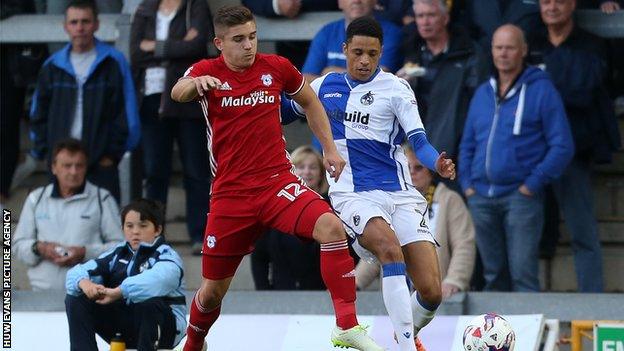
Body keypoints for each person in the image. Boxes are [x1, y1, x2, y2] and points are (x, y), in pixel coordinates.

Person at [170, 6, 382, 351]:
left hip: (276, 183)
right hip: (231, 195)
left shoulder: (276, 67)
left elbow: (310, 101)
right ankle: (194, 341)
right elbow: (177, 91)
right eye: (238, 39)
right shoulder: (207, 71)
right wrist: (194, 83)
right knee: (212, 292)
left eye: (252, 37)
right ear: (219, 43)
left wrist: (328, 148)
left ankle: (347, 325)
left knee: (331, 227)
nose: (248, 46)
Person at [282, 16, 456, 351]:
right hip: (352, 193)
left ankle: (405, 332)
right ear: (345, 49)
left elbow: (418, 141)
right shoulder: (323, 87)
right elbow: (284, 111)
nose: (364, 60)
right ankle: (406, 347)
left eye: (372, 54)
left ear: (380, 54)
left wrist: (438, 162)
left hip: (400, 194)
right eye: (358, 52)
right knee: (390, 250)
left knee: (431, 292)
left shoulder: (396, 88)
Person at [458, 24, 574, 292]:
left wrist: (531, 184)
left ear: (523, 50)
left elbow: (562, 145)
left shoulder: (542, 90)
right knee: (492, 276)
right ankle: (493, 335)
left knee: (524, 274)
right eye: (498, 47)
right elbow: (467, 144)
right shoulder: (482, 93)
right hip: (480, 198)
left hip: (520, 197)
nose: (503, 53)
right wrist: (468, 185)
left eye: (510, 47)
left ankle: (527, 335)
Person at [528, 0, 621, 292]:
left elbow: (584, 90)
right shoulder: (531, 42)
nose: (551, 6)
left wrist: (542, 97)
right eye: (545, 1)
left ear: (573, 5)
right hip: (530, 151)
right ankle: (522, 302)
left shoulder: (590, 45)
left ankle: (591, 302)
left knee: (582, 232)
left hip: (573, 152)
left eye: (559, 0)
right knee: (525, 232)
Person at [29, 0, 140, 201]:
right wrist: (48, 154)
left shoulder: (113, 62)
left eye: (85, 21)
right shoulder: (52, 66)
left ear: (96, 24)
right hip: (62, 164)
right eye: (74, 22)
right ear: (65, 26)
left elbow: (127, 112)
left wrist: (112, 155)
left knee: (105, 228)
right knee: (60, 227)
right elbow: (38, 114)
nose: (79, 28)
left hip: (101, 163)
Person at [130, 0, 213, 255]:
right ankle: (153, 235)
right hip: (152, 97)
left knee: (196, 169)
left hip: (186, 96)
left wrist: (154, 47)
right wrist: (178, 48)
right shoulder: (145, 8)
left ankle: (200, 234)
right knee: (155, 170)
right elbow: (135, 51)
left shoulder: (196, 7)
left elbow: (197, 47)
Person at [355, 145, 476, 299]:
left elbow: (463, 244)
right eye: (406, 167)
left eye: (418, 168)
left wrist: (454, 281)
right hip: (397, 297)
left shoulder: (449, 200)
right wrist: (356, 282)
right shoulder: (387, 201)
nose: (411, 172)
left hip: (439, 296)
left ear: (431, 173)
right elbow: (378, 247)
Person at [65, 198, 187, 351]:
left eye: (143, 226)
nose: (135, 231)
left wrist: (119, 292)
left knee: (147, 301)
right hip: (127, 326)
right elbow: (75, 273)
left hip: (166, 330)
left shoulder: (167, 256)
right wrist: (85, 284)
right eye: (129, 226)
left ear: (158, 229)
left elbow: (158, 279)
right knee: (76, 297)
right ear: (122, 228)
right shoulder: (117, 254)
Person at [13, 138, 124, 290]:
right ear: (54, 167)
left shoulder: (102, 198)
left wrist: (85, 252)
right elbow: (17, 245)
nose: (73, 172)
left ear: (86, 168)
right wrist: (40, 248)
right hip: (41, 296)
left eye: (79, 166)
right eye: (67, 166)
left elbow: (121, 248)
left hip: (88, 298)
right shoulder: (36, 199)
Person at [397, 0, 488, 175]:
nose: (425, 21)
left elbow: (479, 106)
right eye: (420, 16)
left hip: (454, 150)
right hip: (415, 150)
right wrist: (400, 86)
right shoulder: (410, 50)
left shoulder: (468, 53)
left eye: (431, 15)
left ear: (445, 18)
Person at [251, 145, 328, 290]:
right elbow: (259, 257)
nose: (306, 172)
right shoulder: (274, 208)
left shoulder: (332, 209)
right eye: (300, 166)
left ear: (321, 174)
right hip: (280, 296)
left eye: (312, 167)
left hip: (322, 296)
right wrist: (264, 293)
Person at [302, 0, 403, 82]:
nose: (356, 1)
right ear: (339, 2)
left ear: (375, 1)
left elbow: (377, 77)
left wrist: (331, 74)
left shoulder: (391, 32)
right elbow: (307, 78)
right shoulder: (327, 32)